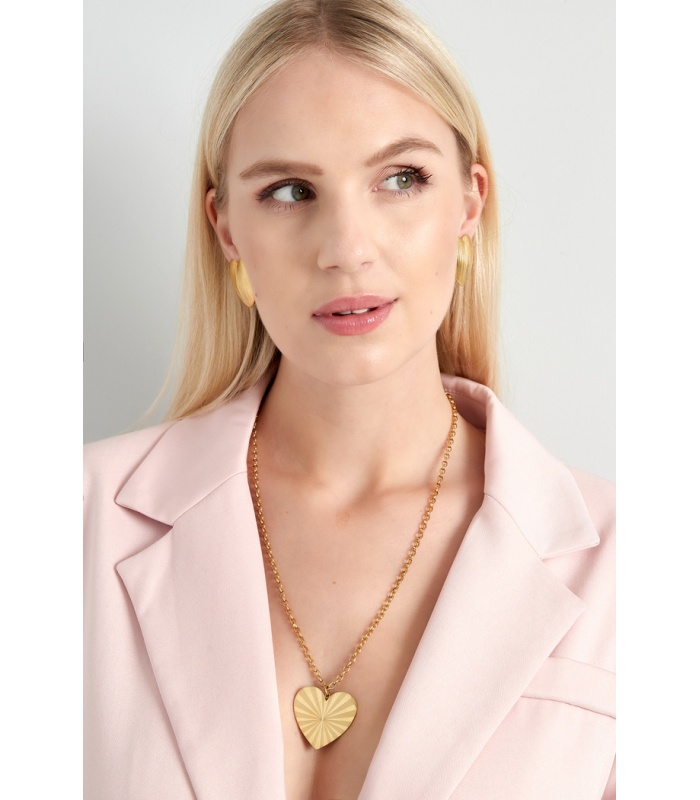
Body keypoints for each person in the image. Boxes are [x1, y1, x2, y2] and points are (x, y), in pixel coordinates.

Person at [83, 0, 615, 797]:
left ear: (469, 204)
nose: (347, 249)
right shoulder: (64, 525)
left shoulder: (632, 568)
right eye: (290, 191)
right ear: (226, 228)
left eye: (401, 179)